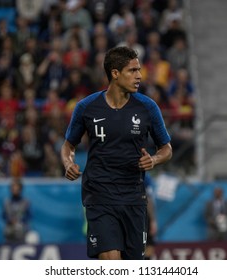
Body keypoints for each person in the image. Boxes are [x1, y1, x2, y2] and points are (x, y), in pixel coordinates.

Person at [61, 46, 172, 260]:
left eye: (139, 70)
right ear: (115, 73)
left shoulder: (148, 107)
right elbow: (68, 145)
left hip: (133, 198)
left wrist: (155, 159)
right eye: (132, 70)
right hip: (100, 195)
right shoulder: (86, 107)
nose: (139, 76)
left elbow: (166, 148)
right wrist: (68, 163)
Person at [2, 177, 31, 243]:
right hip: (9, 230)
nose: (15, 190)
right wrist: (10, 220)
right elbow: (3, 215)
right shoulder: (7, 202)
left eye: (17, 188)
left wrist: (20, 220)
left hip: (21, 229)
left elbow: (29, 215)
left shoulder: (25, 201)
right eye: (13, 188)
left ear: (20, 189)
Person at [144, 172, 158, 260]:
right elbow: (148, 198)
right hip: (141, 214)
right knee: (148, 244)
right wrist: (152, 220)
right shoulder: (144, 175)